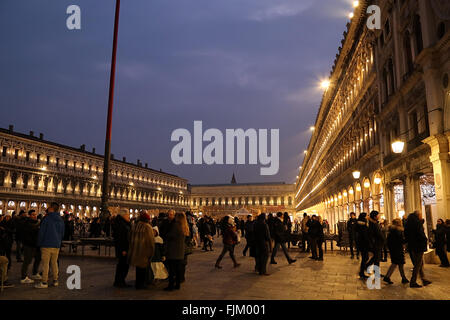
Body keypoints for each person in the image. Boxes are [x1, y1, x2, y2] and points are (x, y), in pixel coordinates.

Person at [34, 202, 65, 289]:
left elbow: (41, 232)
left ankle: (44, 282)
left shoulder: (47, 218)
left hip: (46, 244)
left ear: (51, 208)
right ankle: (55, 280)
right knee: (54, 263)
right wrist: (58, 241)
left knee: (46, 264)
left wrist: (39, 243)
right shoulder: (61, 220)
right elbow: (62, 233)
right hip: (56, 245)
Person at [404, 211, 432, 288]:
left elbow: (406, 235)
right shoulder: (417, 224)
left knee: (419, 263)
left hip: (412, 246)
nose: (421, 216)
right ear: (417, 216)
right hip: (418, 246)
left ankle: (423, 279)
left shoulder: (408, 224)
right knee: (417, 264)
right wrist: (424, 239)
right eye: (420, 215)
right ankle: (413, 281)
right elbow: (420, 235)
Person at [128, 211, 155, 290]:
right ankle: (142, 284)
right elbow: (151, 241)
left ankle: (138, 283)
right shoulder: (147, 227)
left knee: (138, 269)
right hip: (144, 251)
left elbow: (129, 237)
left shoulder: (134, 226)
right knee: (143, 268)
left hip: (135, 251)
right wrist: (151, 252)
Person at [164, 212, 189, 291]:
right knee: (178, 269)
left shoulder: (176, 225)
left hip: (173, 250)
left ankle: (171, 286)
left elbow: (171, 236)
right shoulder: (184, 226)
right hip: (180, 250)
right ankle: (177, 284)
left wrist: (167, 235)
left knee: (172, 269)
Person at [383, 218, 409, 285]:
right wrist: (407, 240)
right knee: (396, 263)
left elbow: (388, 241)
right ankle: (387, 276)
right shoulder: (397, 231)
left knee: (399, 263)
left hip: (393, 249)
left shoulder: (391, 230)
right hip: (398, 249)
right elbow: (400, 240)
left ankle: (403, 278)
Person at [20, 210, 41, 284]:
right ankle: (23, 277)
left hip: (34, 244)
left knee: (36, 259)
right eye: (33, 215)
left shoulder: (35, 223)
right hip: (28, 245)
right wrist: (39, 223)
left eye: (35, 214)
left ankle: (34, 273)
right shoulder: (27, 223)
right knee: (27, 261)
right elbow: (33, 229)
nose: (34, 216)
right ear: (29, 215)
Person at [112, 209, 131, 288]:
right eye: (128, 215)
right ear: (123, 215)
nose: (129, 216)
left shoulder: (122, 223)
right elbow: (120, 238)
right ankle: (119, 281)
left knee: (123, 265)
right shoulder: (121, 224)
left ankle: (120, 281)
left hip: (124, 248)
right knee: (123, 265)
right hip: (123, 249)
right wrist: (123, 249)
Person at [355, 212, 370, 280]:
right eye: (367, 215)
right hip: (363, 243)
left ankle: (362, 271)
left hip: (361, 243)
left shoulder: (360, 224)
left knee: (365, 257)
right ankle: (362, 272)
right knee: (365, 257)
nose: (368, 216)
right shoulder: (363, 225)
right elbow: (365, 235)